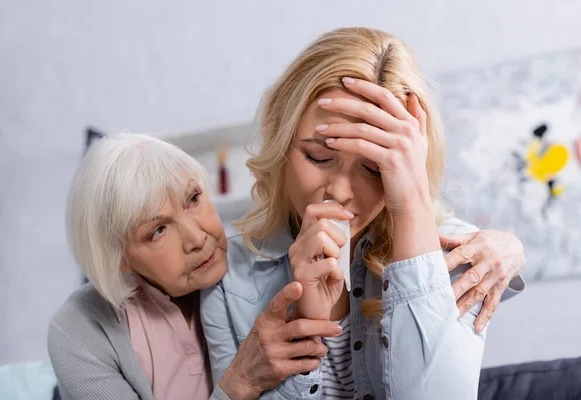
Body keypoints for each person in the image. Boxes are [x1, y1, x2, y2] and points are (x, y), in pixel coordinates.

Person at [201, 27, 526, 399]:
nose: (339, 191)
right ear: (281, 141)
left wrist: (412, 205)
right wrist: (308, 326)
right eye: (318, 157)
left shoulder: (462, 258)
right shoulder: (229, 277)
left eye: (374, 169)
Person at [47, 134, 344, 400]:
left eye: (193, 198)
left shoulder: (271, 265)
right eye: (158, 230)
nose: (198, 238)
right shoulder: (80, 328)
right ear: (118, 257)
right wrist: (239, 383)